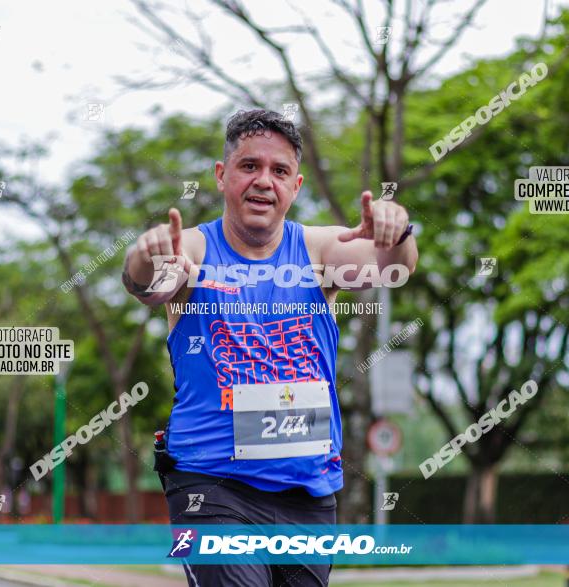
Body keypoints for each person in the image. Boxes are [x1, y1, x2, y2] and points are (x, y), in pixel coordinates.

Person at [122, 109, 417, 586]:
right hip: (212, 484)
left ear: (295, 186)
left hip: (307, 489)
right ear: (222, 176)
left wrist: (397, 232)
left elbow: (389, 267)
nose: (264, 182)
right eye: (249, 167)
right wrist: (144, 257)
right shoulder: (194, 250)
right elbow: (149, 285)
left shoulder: (319, 250)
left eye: (279, 171)